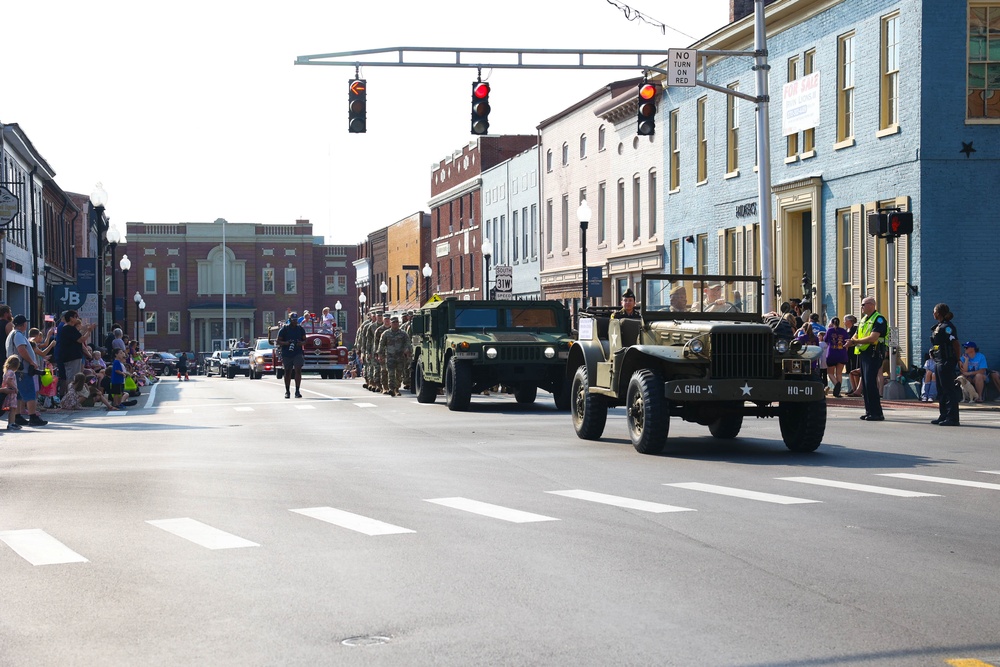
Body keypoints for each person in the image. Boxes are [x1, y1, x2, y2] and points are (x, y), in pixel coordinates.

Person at [845, 296, 887, 421]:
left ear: (871, 305)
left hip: (874, 354)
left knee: (870, 383)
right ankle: (869, 411)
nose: (861, 307)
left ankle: (877, 413)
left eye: (863, 304)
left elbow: (873, 338)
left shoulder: (879, 319)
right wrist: (851, 341)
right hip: (864, 354)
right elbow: (857, 333)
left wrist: (855, 341)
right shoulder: (864, 319)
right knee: (866, 384)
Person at [4, 315, 47, 426]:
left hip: (17, 368)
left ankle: (17, 416)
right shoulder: (18, 335)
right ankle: (33, 416)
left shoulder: (11, 334)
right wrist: (32, 362)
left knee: (19, 394)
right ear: (23, 324)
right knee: (30, 392)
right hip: (23, 369)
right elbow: (21, 350)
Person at [929, 303, 961, 426]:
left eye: (934, 311)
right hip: (939, 360)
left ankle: (952, 418)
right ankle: (943, 415)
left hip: (947, 361)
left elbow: (955, 344)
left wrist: (958, 359)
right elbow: (938, 344)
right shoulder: (939, 326)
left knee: (948, 389)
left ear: (939, 313)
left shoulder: (948, 327)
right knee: (941, 390)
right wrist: (933, 351)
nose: (933, 313)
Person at [56, 310, 96, 397]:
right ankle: (70, 398)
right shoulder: (68, 328)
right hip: (72, 357)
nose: (76, 319)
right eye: (75, 317)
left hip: (72, 356)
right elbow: (81, 339)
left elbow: (78, 335)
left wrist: (85, 329)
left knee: (74, 377)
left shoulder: (69, 328)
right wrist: (89, 331)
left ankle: (73, 397)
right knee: (73, 378)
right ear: (71, 318)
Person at [376, 316, 412, 396]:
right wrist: (380, 355)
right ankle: (391, 389)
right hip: (390, 356)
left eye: (396, 322)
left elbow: (408, 343)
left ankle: (397, 388)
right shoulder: (386, 333)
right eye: (393, 323)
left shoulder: (403, 334)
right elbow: (381, 345)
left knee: (399, 374)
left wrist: (407, 350)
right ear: (391, 324)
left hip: (400, 357)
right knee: (391, 373)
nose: (395, 324)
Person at [276, 311, 306, 398]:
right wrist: (286, 343)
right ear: (289, 320)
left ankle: (297, 391)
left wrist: (300, 343)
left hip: (297, 352)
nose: (295, 321)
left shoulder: (300, 329)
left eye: (296, 320)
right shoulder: (284, 329)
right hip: (286, 353)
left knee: (298, 370)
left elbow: (305, 340)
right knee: (288, 371)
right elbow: (278, 341)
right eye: (293, 320)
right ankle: (287, 391)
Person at [825, 317, 850, 397]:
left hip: (832, 353)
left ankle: (836, 384)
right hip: (842, 353)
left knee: (830, 373)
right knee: (839, 373)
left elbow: (825, 340)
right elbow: (847, 342)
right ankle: (838, 392)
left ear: (832, 323)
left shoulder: (830, 330)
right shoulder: (843, 331)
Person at [2, 355, 21, 430]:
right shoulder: (11, 373)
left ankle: (11, 422)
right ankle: (11, 423)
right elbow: (9, 381)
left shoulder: (6, 372)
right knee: (13, 408)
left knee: (12, 409)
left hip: (8, 392)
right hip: (11, 392)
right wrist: (15, 388)